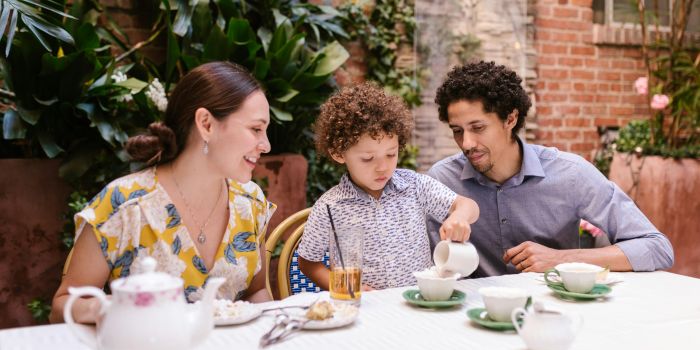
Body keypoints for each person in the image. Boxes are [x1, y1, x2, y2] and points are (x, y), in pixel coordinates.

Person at [50, 62, 276, 323]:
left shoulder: (251, 202)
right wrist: (106, 308)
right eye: (256, 129)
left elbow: (257, 291)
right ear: (206, 124)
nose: (266, 145)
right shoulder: (124, 205)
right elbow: (61, 307)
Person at [427, 60, 674, 277]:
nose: (466, 144)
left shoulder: (571, 174)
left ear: (510, 119)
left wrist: (561, 259)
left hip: (557, 314)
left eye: (478, 128)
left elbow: (656, 247)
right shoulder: (442, 180)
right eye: (457, 131)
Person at [297, 83, 479, 290]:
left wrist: (459, 216)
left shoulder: (415, 186)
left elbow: (468, 205)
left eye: (391, 154)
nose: (382, 167)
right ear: (339, 153)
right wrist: (345, 286)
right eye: (368, 158)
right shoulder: (329, 207)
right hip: (367, 311)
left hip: (417, 303)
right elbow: (308, 262)